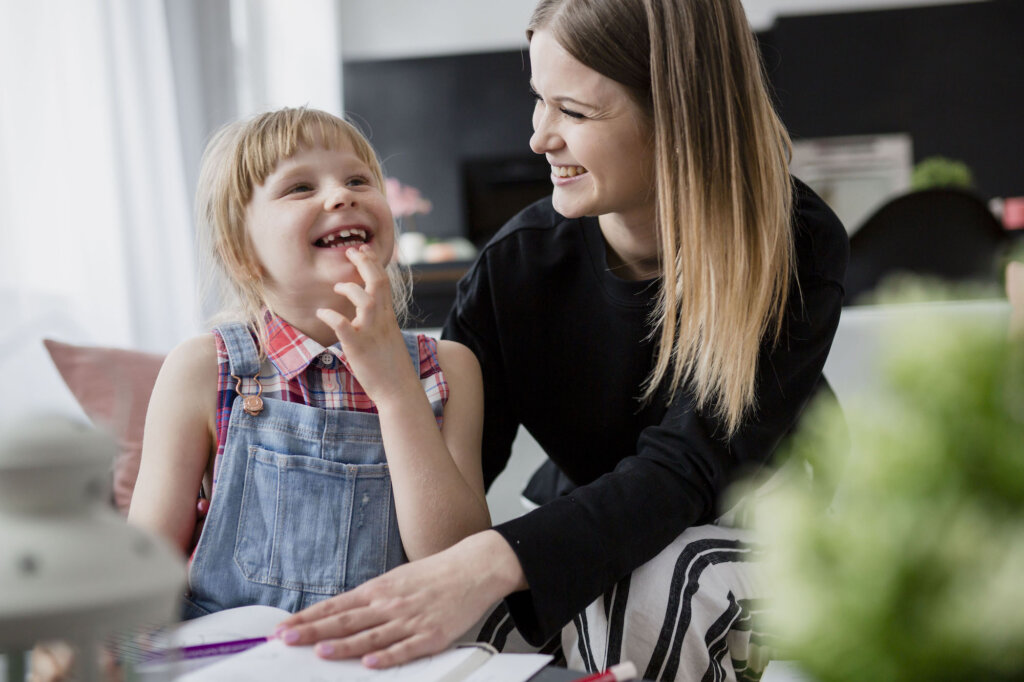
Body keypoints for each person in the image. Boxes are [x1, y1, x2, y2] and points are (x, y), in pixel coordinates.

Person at [274, 1, 848, 679]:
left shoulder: (792, 240)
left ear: (678, 118)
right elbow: (450, 488)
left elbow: (686, 471)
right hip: (597, 511)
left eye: (573, 112)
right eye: (538, 101)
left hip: (767, 520)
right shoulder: (515, 268)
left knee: (649, 586)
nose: (539, 137)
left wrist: (494, 561)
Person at [127, 106, 489, 617]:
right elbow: (142, 568)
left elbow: (456, 563)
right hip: (234, 660)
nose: (342, 195)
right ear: (241, 251)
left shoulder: (447, 368)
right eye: (300, 188)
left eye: (359, 179)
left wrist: (395, 391)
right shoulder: (203, 370)